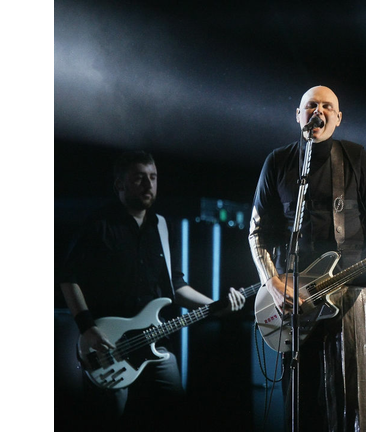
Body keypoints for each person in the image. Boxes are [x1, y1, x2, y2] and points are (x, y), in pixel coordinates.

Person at [248, 85, 366, 431]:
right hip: (294, 297)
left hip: (349, 291)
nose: (319, 112)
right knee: (299, 399)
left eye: (327, 107)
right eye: (311, 106)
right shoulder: (278, 161)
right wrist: (272, 282)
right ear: (299, 115)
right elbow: (257, 231)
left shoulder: (354, 157)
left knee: (352, 399)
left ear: (338, 118)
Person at [58, 150, 246, 431]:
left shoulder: (161, 226)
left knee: (176, 413)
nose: (148, 185)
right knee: (109, 420)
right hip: (109, 344)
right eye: (139, 178)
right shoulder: (99, 225)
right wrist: (87, 328)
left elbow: (176, 287)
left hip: (156, 343)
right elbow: (68, 278)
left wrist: (217, 305)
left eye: (153, 177)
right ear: (119, 185)